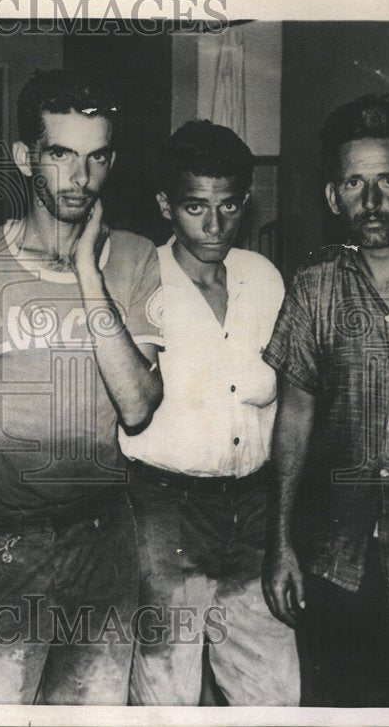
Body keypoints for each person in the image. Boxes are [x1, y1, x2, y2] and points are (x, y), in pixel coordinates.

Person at [0, 69, 165, 704]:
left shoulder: (133, 257)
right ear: (25, 158)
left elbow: (137, 408)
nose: (80, 177)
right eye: (60, 154)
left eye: (96, 156)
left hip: (102, 540)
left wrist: (87, 272)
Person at [262, 93, 389, 707]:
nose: (371, 201)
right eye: (354, 183)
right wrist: (281, 543)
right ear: (333, 197)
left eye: (388, 181)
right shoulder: (314, 290)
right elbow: (293, 418)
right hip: (334, 566)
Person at [121, 120, 299, 705]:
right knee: (167, 690)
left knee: (272, 691)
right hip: (164, 510)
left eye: (228, 206)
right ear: (166, 205)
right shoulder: (138, 278)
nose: (214, 224)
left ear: (244, 203)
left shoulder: (264, 278)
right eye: (196, 206)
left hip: (252, 506)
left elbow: (285, 399)